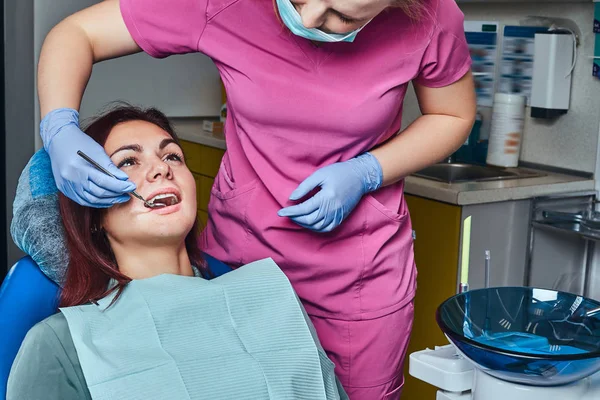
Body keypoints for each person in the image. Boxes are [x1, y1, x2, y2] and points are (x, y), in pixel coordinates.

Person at [36, 0, 476, 397]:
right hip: (238, 265)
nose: (307, 19)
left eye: (341, 16)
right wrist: (58, 126)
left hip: (356, 283)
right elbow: (76, 33)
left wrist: (368, 171)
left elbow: (452, 113)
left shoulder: (431, 15)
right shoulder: (60, 344)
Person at [7, 104, 347, 400]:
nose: (161, 169)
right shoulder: (60, 346)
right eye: (128, 162)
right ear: (92, 216)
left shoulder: (272, 301)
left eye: (172, 156)